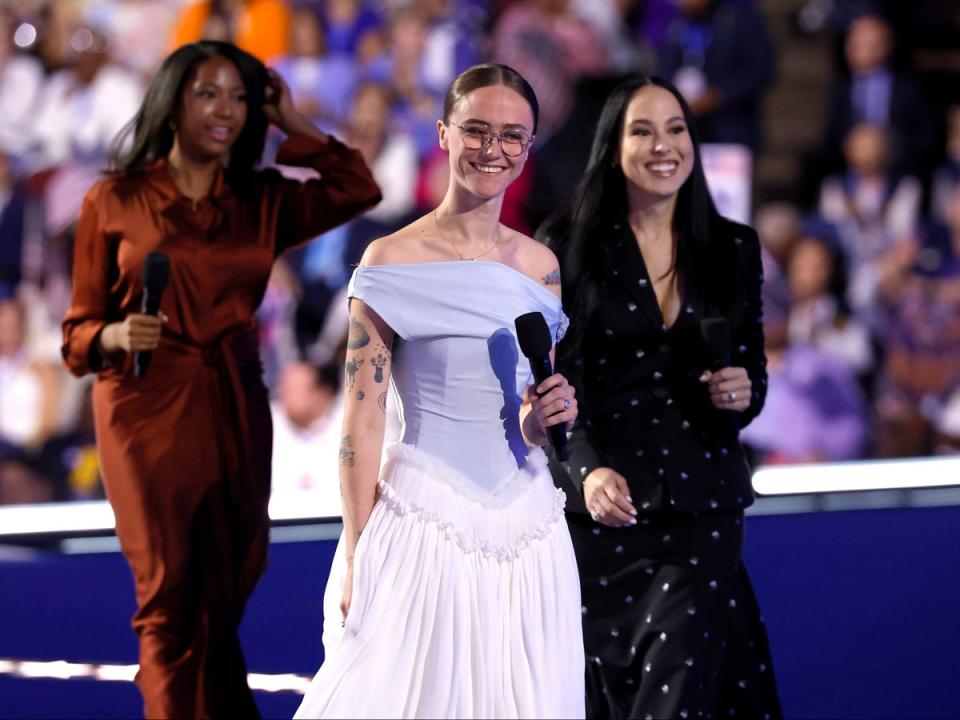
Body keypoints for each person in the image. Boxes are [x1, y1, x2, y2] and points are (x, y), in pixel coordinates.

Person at [61, 40, 380, 719]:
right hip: (145, 404)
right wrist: (117, 333)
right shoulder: (113, 199)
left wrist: (292, 119)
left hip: (234, 398)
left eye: (239, 97)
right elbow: (76, 337)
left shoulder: (260, 200)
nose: (226, 110)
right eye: (208, 93)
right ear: (172, 102)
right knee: (170, 598)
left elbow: (359, 188)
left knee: (226, 590)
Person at [295, 63, 585, 719]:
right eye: (476, 130)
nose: (494, 149)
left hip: (529, 525)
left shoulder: (541, 267)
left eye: (513, 135)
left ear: (530, 146)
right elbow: (361, 420)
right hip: (422, 519)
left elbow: (524, 410)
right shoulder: (389, 261)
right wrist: (357, 545)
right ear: (444, 136)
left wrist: (543, 420)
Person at [541, 75, 782, 719]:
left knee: (677, 684)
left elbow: (752, 373)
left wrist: (742, 391)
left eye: (676, 128)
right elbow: (556, 387)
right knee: (611, 694)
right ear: (612, 145)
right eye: (642, 130)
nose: (663, 144)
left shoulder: (733, 247)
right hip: (605, 509)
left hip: (703, 505)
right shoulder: (564, 246)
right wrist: (586, 472)